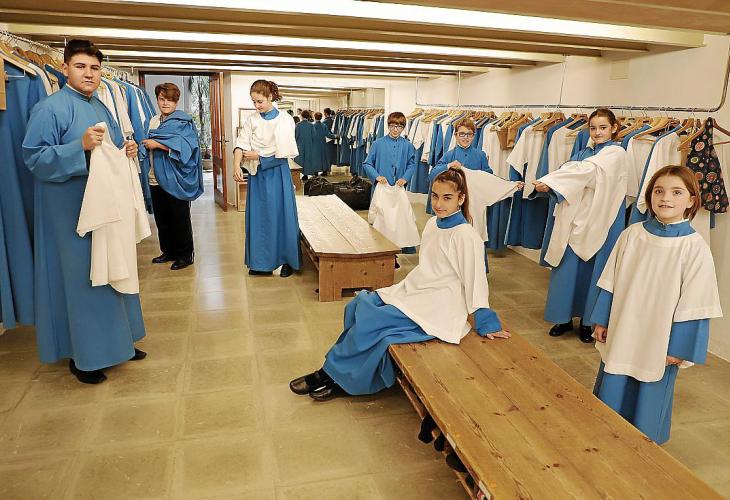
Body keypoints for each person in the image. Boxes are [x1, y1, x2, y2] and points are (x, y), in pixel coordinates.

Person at [289, 166, 510, 401]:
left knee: (372, 320)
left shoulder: (466, 236)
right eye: (435, 196)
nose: (438, 204)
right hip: (419, 290)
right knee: (358, 305)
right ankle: (335, 372)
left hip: (441, 303)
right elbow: (428, 268)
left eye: (447, 198)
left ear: (461, 199)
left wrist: (486, 322)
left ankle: (337, 377)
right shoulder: (433, 224)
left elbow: (476, 281)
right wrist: (405, 289)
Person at [22, 39, 146, 384]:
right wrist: (79, 147)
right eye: (80, 66)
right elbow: (34, 158)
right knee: (84, 281)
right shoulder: (49, 109)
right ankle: (86, 356)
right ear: (64, 68)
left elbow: (112, 146)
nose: (89, 74)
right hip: (69, 212)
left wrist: (127, 149)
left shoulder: (102, 106)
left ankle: (121, 342)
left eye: (94, 68)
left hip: (106, 206)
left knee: (114, 270)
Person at [590, 165, 722, 444]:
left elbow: (696, 303)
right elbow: (611, 279)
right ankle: (605, 437)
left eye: (676, 192)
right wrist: (602, 318)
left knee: (652, 389)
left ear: (691, 200)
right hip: (624, 326)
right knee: (614, 379)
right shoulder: (632, 235)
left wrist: (679, 348)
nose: (666, 198)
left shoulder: (694, 247)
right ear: (649, 196)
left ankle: (644, 447)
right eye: (659, 191)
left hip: (661, 338)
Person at [531, 109, 629, 343]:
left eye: (603, 128)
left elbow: (586, 172)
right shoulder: (583, 152)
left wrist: (550, 181)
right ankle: (562, 318)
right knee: (566, 267)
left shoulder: (616, 153)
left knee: (594, 271)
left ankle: (588, 323)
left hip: (601, 220)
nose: (597, 133)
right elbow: (570, 175)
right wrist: (554, 183)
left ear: (614, 128)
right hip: (574, 219)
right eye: (593, 128)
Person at [430, 118, 523, 271]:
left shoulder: (480, 155)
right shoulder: (449, 155)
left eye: (469, 134)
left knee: (475, 235)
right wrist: (448, 165)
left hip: (475, 205)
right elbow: (433, 174)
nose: (465, 137)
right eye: (462, 134)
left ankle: (478, 271)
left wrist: (511, 185)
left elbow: (488, 179)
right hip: (453, 207)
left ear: (474, 136)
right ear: (456, 135)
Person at [233, 79, 300, 278]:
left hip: (277, 174)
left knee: (282, 217)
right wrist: (236, 165)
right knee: (259, 218)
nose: (257, 106)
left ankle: (287, 261)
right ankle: (261, 263)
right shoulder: (252, 119)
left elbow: (285, 152)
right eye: (254, 102)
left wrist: (259, 156)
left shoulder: (285, 119)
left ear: (271, 97)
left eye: (260, 101)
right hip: (257, 176)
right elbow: (241, 144)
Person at [141, 82, 203, 271]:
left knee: (179, 217)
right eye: (162, 99)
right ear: (157, 99)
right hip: (155, 176)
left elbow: (188, 148)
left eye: (170, 99)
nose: (166, 103)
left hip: (175, 177)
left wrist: (158, 145)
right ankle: (168, 251)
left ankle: (185, 255)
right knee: (162, 218)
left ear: (176, 101)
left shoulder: (183, 122)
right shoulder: (152, 121)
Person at [363, 112, 417, 259]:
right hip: (381, 188)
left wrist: (405, 178)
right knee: (381, 219)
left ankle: (398, 248)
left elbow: (412, 164)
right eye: (393, 126)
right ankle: (381, 249)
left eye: (399, 127)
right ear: (388, 126)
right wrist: (376, 176)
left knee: (400, 218)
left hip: (398, 189)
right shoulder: (377, 144)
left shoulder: (407, 146)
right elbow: (367, 163)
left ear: (403, 128)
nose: (395, 129)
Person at [295, 110, 318, 180]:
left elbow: (296, 135)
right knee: (308, 159)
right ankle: (306, 174)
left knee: (300, 159)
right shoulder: (311, 125)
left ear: (301, 116)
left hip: (300, 144)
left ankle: (299, 174)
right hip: (309, 145)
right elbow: (314, 136)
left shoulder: (298, 125)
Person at [323, 107, 336, 174]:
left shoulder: (325, 121)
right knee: (330, 155)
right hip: (332, 139)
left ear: (325, 113)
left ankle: (326, 169)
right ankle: (328, 168)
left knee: (326, 155)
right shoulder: (332, 120)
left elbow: (325, 132)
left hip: (327, 139)